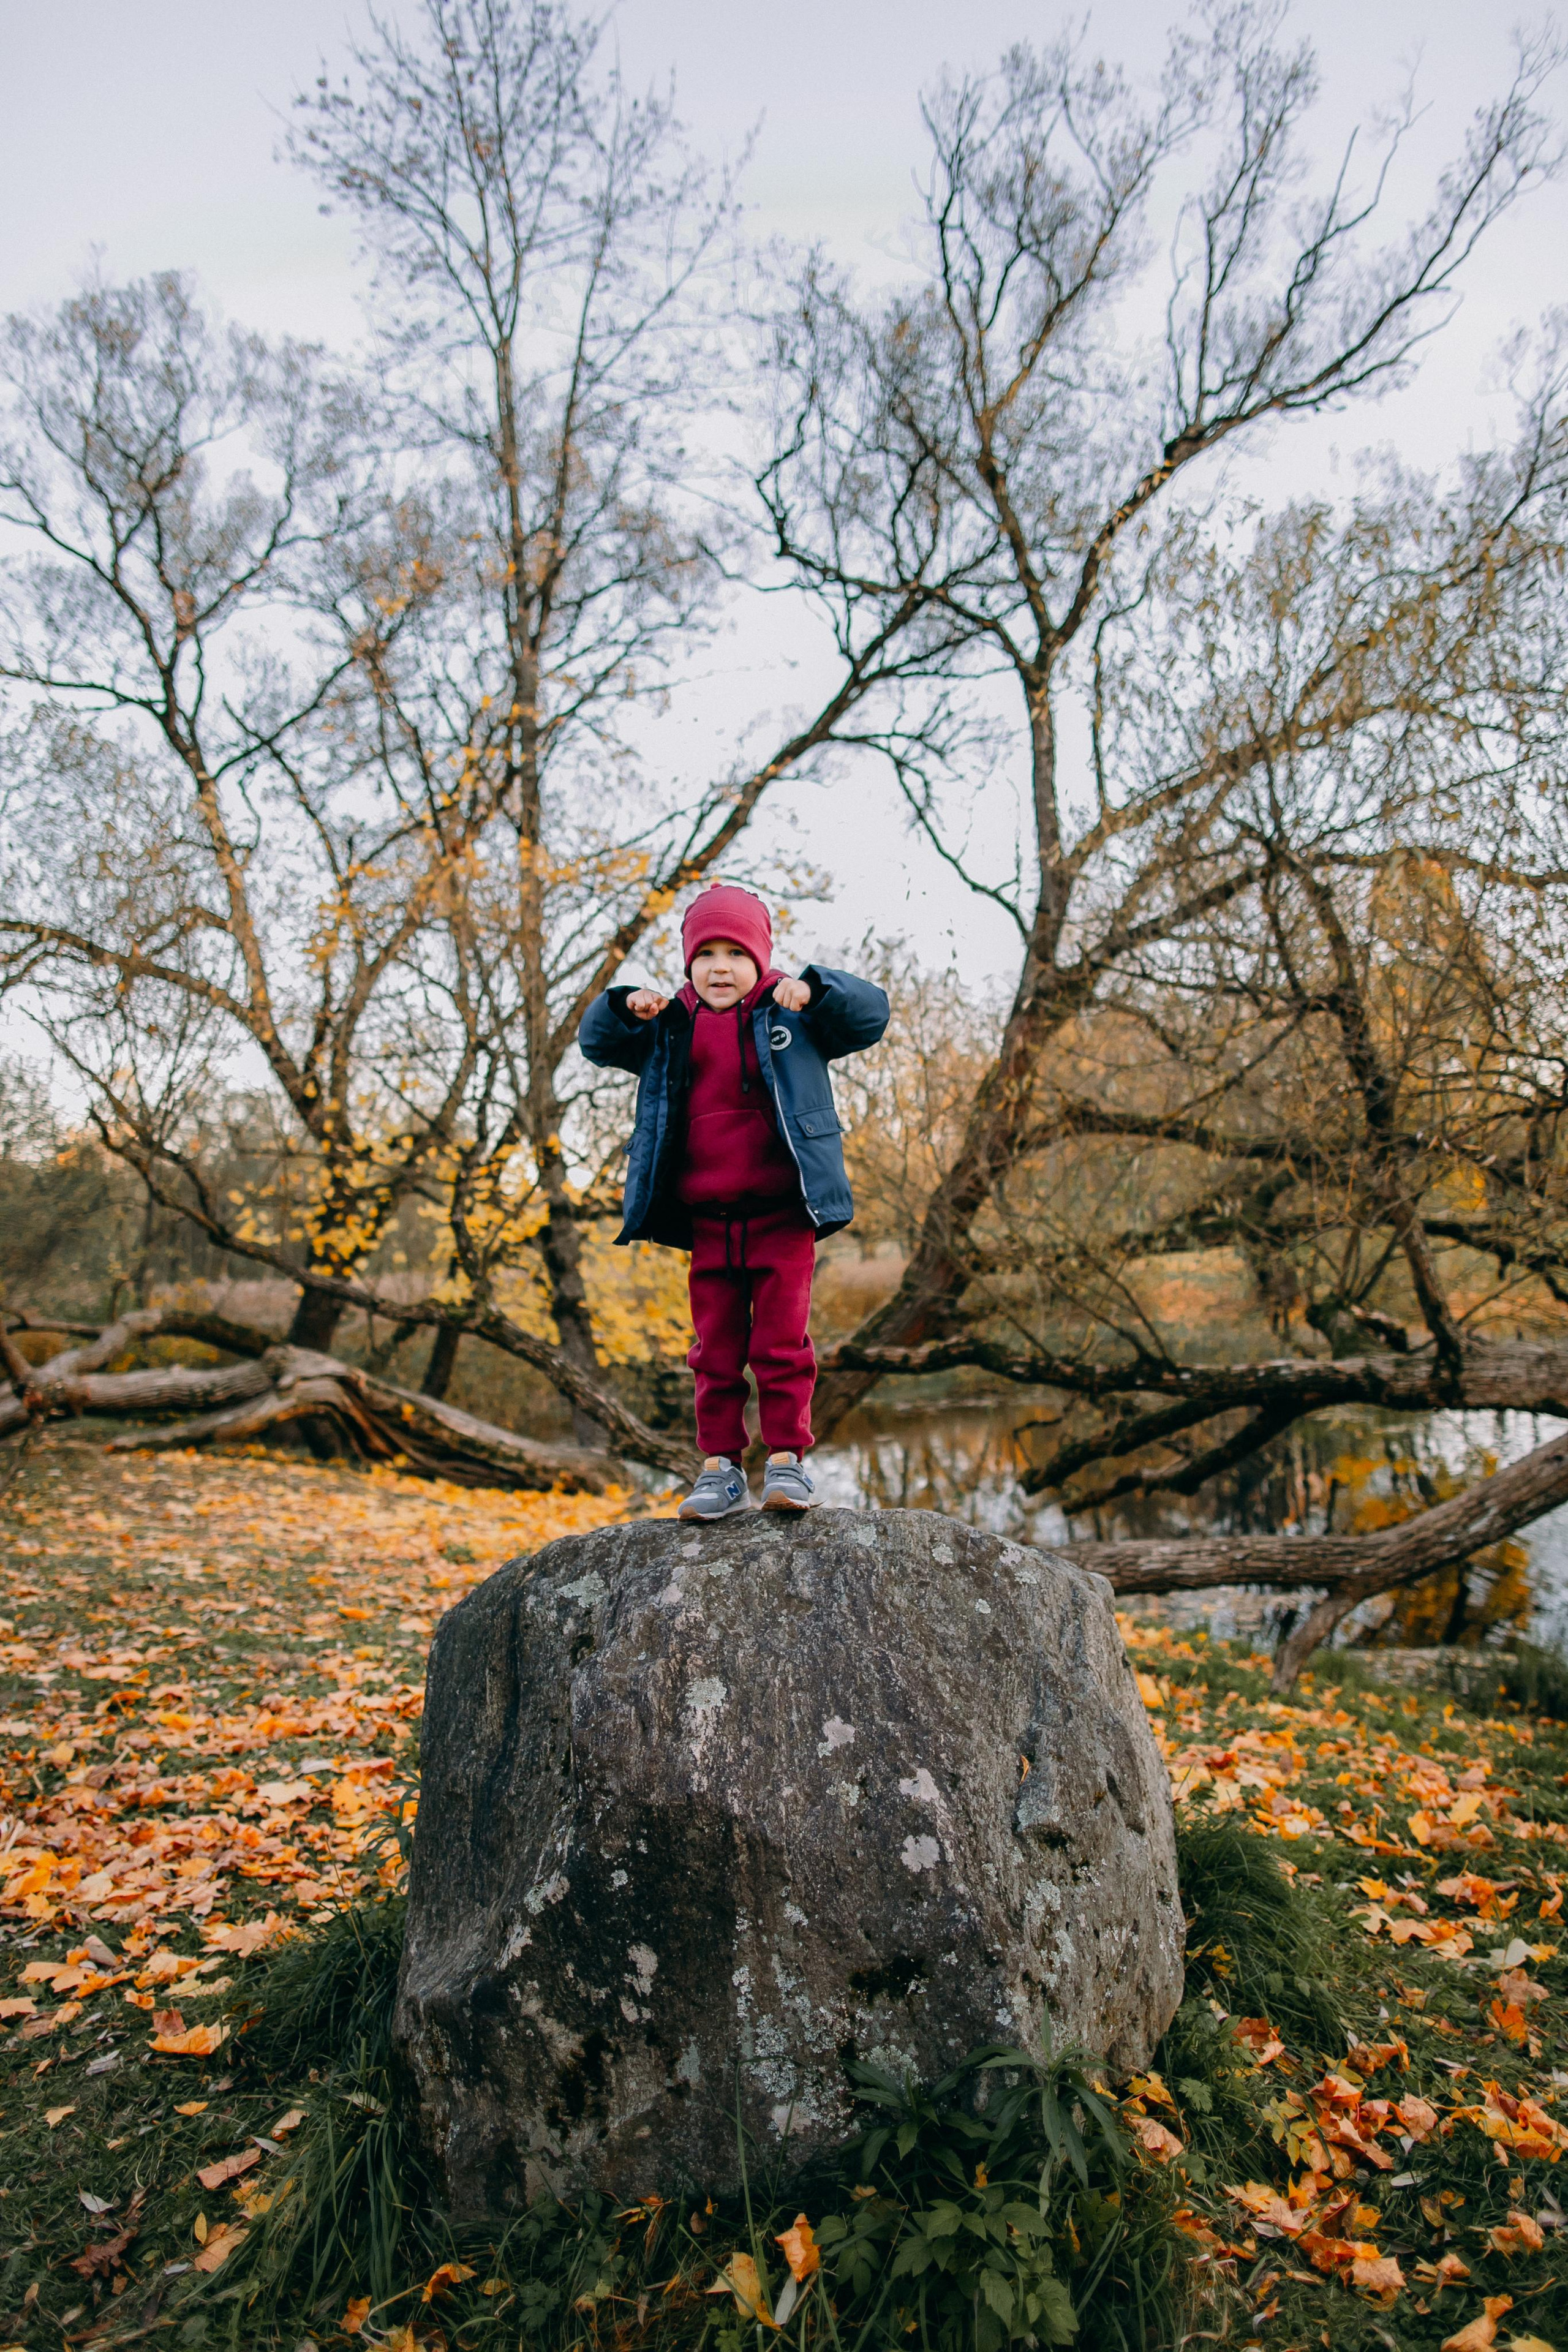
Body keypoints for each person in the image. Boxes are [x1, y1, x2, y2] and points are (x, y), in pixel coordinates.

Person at [578, 883, 889, 1518]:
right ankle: (720, 1468)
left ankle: (787, 1461)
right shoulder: (668, 1024)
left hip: (783, 1215)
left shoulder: (790, 1012)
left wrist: (817, 990)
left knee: (781, 1346)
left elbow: (871, 1016)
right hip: (708, 1220)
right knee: (713, 1352)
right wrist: (622, 1005)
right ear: (688, 962)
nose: (720, 968)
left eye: (736, 953)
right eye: (706, 954)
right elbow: (596, 1043)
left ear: (760, 958)